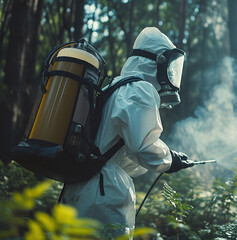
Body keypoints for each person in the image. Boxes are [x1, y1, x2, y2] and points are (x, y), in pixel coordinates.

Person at [60, 27, 194, 237]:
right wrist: (170, 160)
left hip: (80, 185)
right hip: (103, 195)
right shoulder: (140, 90)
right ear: (157, 62)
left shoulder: (115, 87)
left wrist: (167, 157)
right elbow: (142, 147)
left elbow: (124, 153)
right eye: (169, 66)